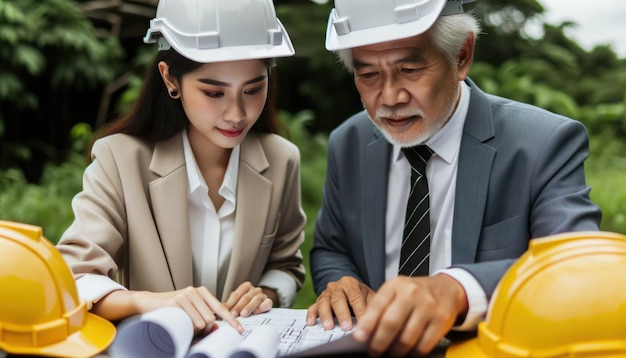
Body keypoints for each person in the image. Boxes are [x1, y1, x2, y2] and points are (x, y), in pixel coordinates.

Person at [305, 0, 602, 356]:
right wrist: (341, 282)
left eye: (411, 69)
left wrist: (456, 290)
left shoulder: (543, 144)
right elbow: (332, 248)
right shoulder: (348, 142)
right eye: (368, 75)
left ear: (461, 56)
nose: (389, 97)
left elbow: (577, 266)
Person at [56, 0, 305, 336]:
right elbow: (72, 279)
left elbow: (287, 265)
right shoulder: (120, 159)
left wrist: (268, 292)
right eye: (214, 92)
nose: (236, 114)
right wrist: (149, 302)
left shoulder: (281, 159)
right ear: (170, 77)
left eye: (252, 89)